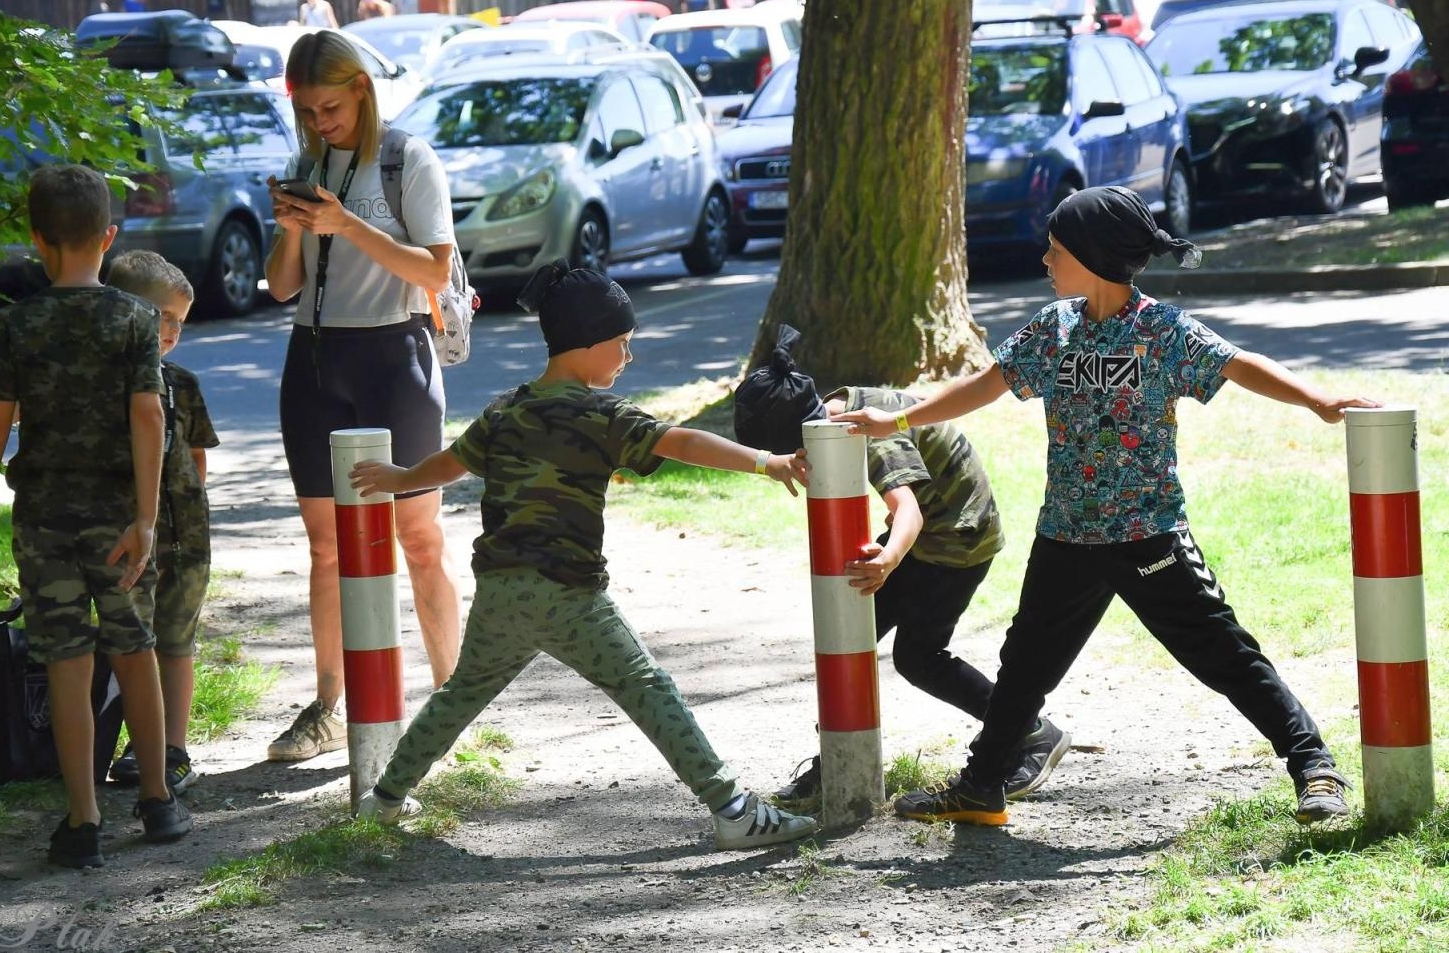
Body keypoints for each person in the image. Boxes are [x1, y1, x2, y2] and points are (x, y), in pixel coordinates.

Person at [840, 186, 1374, 828]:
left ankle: (1314, 766)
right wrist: (895, 418)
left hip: (1147, 534)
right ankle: (983, 786)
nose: (1045, 259)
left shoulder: (1161, 331)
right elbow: (980, 389)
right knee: (1023, 668)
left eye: (1056, 249)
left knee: (1224, 655)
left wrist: (1317, 400)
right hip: (1066, 536)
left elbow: (1238, 365)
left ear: (1090, 258)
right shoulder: (1053, 330)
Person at [347, 262, 817, 851]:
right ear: (589, 344)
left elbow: (451, 463)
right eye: (622, 345)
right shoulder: (604, 417)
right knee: (648, 688)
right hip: (570, 596)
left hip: (501, 594)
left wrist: (400, 478)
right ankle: (732, 809)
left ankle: (384, 801)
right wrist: (765, 461)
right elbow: (684, 441)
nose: (627, 357)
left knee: (461, 694)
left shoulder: (505, 411)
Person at [0, 164, 191, 868]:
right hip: (120, 521)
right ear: (108, 238)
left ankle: (82, 820)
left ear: (37, 240)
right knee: (134, 649)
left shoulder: (18, 325)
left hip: (45, 522)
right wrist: (147, 519)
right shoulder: (136, 318)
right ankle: (156, 800)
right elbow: (148, 415)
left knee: (65, 661)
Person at [733, 326, 1070, 804]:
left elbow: (908, 508)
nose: (799, 462)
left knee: (919, 656)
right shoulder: (832, 411)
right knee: (848, 633)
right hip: (927, 529)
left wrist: (889, 559)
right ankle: (841, 762)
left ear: (805, 433)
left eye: (795, 454)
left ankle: (1031, 732)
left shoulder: (862, 436)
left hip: (957, 536)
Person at [262, 30, 461, 763]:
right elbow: (282, 286)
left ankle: (451, 699)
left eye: (331, 107)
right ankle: (328, 707)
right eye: (308, 110)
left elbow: (435, 273)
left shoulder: (408, 159)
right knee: (326, 550)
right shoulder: (304, 163)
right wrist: (291, 230)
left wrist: (345, 224)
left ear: (362, 91)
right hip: (315, 360)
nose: (320, 123)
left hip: (393, 355)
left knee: (418, 538)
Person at [100, 251, 219, 795]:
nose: (170, 331)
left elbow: (196, 461)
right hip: (128, 538)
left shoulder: (182, 383)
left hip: (187, 541)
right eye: (160, 316)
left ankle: (172, 750)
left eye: (179, 322)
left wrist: (194, 522)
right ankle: (133, 745)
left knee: (176, 642)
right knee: (133, 641)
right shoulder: (96, 385)